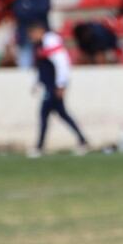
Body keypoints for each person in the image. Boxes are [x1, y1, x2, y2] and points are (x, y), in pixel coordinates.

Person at [27, 22, 87, 157]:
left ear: (40, 31)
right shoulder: (39, 46)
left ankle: (39, 147)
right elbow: (41, 67)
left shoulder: (51, 43)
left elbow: (61, 64)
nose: (32, 37)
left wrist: (61, 85)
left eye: (33, 33)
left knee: (45, 114)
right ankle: (82, 140)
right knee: (62, 114)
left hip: (53, 86)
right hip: (49, 85)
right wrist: (36, 83)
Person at [12, 0, 51, 68]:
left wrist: (28, 10)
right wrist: (34, 11)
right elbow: (19, 13)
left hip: (42, 34)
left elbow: (43, 10)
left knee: (46, 62)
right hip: (25, 34)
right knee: (25, 63)